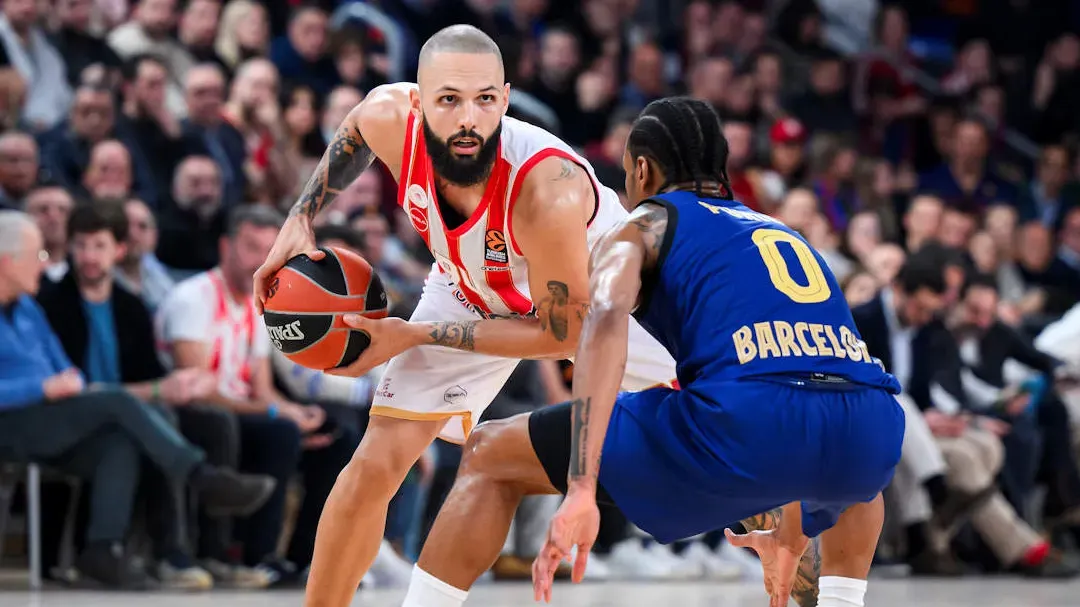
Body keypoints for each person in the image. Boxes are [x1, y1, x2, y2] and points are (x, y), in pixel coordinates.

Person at [252, 25, 812, 607]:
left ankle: (806, 562)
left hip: (610, 302)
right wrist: (301, 215)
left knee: (753, 445)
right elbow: (355, 132)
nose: (470, 117)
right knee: (375, 461)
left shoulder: (547, 188)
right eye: (449, 99)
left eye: (486, 99)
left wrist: (411, 334)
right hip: (469, 287)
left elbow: (564, 333)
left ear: (506, 95)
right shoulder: (388, 117)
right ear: (417, 102)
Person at [397, 97, 907, 607]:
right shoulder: (780, 230)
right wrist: (792, 521)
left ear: (642, 169)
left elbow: (602, 323)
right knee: (850, 459)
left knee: (490, 454)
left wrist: (580, 482)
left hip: (751, 427)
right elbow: (827, 374)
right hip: (872, 432)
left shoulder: (646, 224)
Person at [0, 210, 274, 589]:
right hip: (12, 420)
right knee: (118, 403)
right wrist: (41, 389)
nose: (44, 264)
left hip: (50, 418)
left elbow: (64, 368)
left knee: (120, 439)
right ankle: (200, 476)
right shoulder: (45, 300)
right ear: (6, 262)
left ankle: (103, 549)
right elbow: (45, 383)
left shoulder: (29, 308)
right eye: (37, 255)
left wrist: (69, 383)